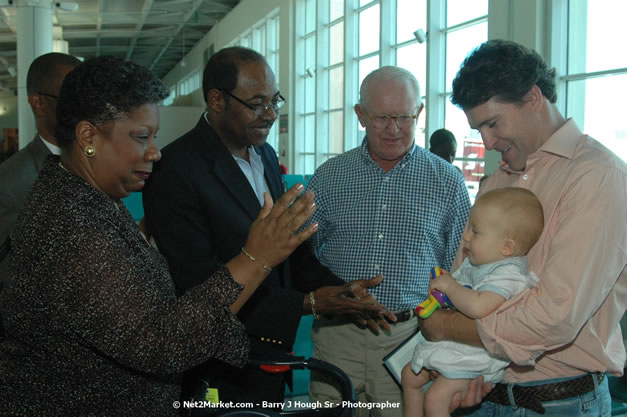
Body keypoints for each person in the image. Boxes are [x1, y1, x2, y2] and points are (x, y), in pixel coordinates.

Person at [0, 55, 319, 416]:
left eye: (154, 136)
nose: (153, 152)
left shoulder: (88, 197)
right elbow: (161, 343)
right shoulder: (71, 224)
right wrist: (255, 258)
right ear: (88, 136)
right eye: (140, 137)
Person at [142, 46, 392, 407]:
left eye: (275, 101)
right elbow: (196, 283)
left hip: (270, 359)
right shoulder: (176, 170)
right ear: (216, 100)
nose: (271, 114)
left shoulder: (265, 155)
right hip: (218, 367)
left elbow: (290, 253)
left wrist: (340, 290)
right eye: (257, 103)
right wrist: (305, 304)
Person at [420, 39, 626, 416]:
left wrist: (444, 328)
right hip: (487, 391)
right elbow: (464, 276)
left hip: (559, 401)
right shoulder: (499, 180)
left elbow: (555, 315)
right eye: (478, 128)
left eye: (492, 123)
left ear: (533, 99)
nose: (486, 141)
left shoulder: (597, 176)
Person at [305, 66, 471, 416]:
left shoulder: (448, 183)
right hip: (338, 338)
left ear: (420, 113)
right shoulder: (329, 178)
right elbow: (302, 259)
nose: (394, 129)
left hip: (410, 340)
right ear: (360, 115)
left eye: (404, 117)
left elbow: (462, 272)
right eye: (381, 117)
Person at [402, 187, 544, 417]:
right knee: (408, 376)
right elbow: (456, 293)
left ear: (506, 247)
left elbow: (478, 306)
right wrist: (444, 286)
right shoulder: (480, 261)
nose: (466, 236)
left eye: (475, 232)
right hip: (453, 347)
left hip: (473, 357)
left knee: (436, 399)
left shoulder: (508, 274)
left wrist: (450, 286)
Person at [0, 53, 80, 288]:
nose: (85, 109)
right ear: (39, 104)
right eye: (72, 98)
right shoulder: (10, 185)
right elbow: (13, 284)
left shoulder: (100, 165)